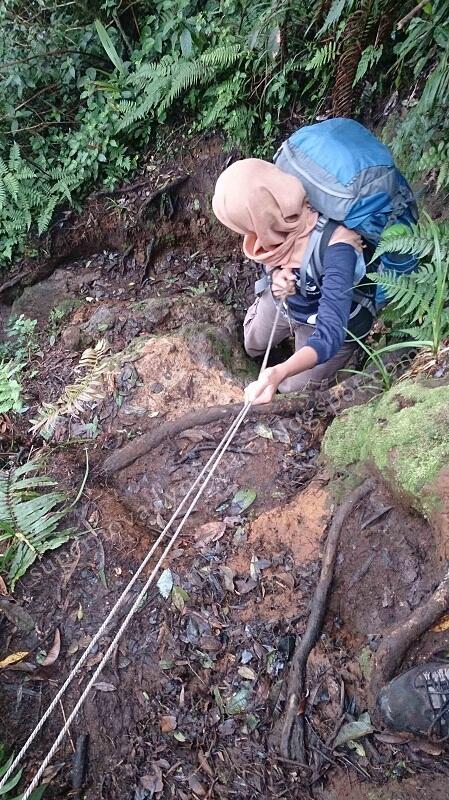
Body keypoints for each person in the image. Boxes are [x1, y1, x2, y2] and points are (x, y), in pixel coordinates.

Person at [212, 158, 377, 406]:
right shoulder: (275, 221)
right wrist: (275, 276)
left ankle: (341, 364)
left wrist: (279, 372)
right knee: (251, 344)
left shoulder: (338, 246)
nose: (250, 234)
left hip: (333, 323)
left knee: (290, 389)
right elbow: (269, 256)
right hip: (289, 301)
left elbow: (329, 335)